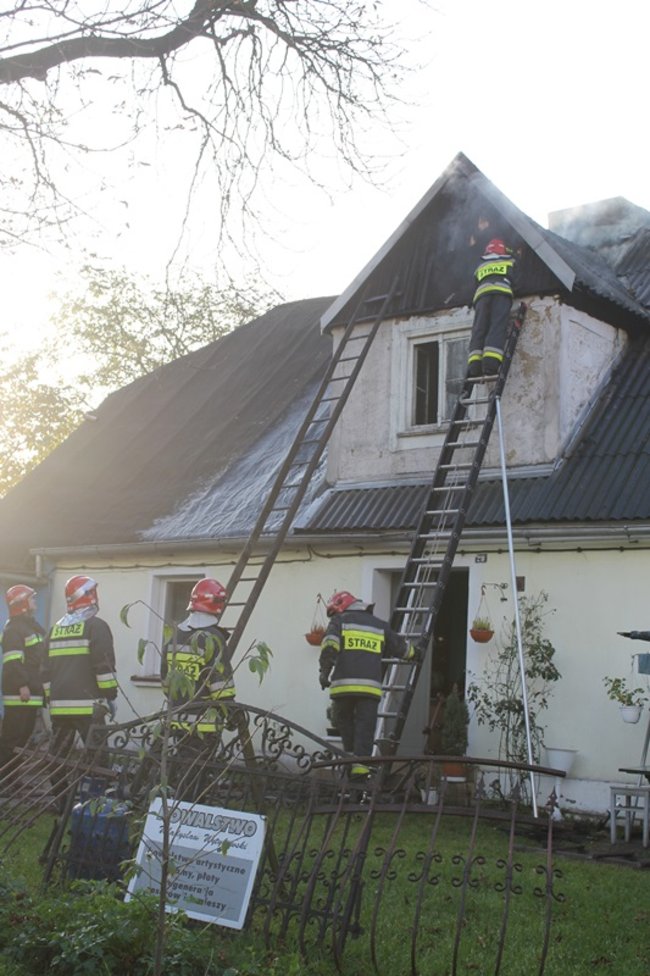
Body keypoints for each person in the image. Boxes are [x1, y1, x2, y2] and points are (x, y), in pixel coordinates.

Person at [319, 590, 415, 780]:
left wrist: (324, 672)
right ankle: (360, 770)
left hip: (343, 689)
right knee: (365, 727)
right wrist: (415, 653)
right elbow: (401, 648)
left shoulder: (339, 622)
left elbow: (330, 646)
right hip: (369, 689)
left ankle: (350, 761)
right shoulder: (380, 625)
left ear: (341, 607)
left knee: (345, 723)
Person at [161, 578, 235, 800]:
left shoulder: (174, 635)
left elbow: (165, 678)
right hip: (205, 721)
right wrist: (230, 709)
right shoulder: (213, 637)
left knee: (181, 764)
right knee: (199, 772)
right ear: (218, 604)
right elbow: (220, 681)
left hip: (177, 717)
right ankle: (191, 807)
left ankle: (174, 805)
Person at [43, 575, 118, 795]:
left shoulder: (53, 631)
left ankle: (61, 799)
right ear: (89, 595)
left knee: (58, 756)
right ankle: (93, 800)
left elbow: (44, 672)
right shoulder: (97, 627)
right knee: (97, 757)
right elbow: (104, 667)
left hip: (59, 708)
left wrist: (51, 698)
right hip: (89, 708)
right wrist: (111, 696)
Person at [0, 585, 46, 769]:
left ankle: (12, 776)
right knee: (12, 739)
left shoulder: (30, 627)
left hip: (31, 691)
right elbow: (13, 660)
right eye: (32, 598)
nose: (35, 601)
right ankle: (4, 778)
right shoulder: (14, 628)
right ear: (22, 603)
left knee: (23, 740)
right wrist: (22, 685)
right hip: (20, 693)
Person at [467, 237, 516, 378]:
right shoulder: (510, 261)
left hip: (481, 296)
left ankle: (474, 365)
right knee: (497, 326)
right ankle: (491, 363)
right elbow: (517, 280)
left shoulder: (480, 264)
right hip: (501, 294)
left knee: (479, 329)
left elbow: (474, 284)